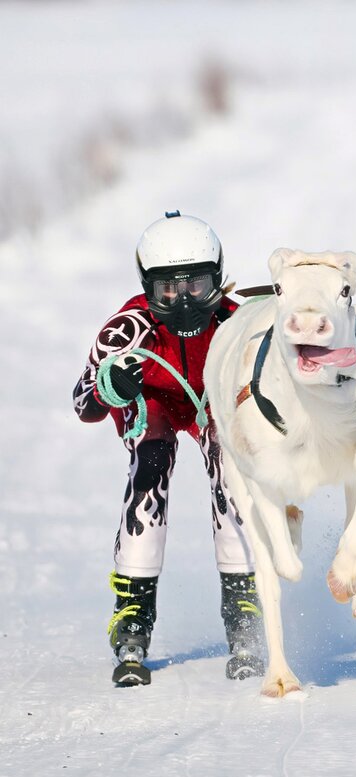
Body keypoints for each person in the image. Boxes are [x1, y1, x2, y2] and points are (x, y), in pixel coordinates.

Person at [73, 211, 264, 685]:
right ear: (147, 287)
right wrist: (110, 387)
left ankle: (245, 604)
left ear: (218, 277)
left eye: (196, 286)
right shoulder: (128, 328)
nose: (184, 303)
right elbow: (82, 402)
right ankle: (133, 611)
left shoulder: (237, 320)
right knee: (151, 463)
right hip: (154, 400)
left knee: (230, 462)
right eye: (168, 291)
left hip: (212, 397)